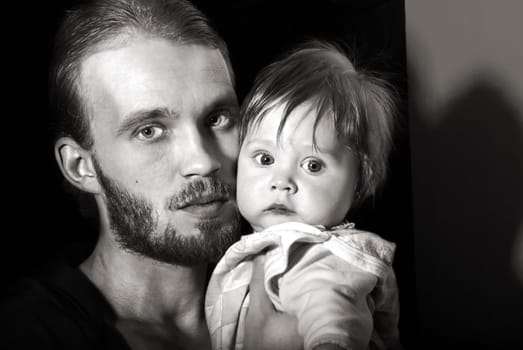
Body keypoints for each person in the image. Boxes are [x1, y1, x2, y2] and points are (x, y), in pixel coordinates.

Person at [1, 0, 300, 349]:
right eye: (149, 131)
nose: (203, 161)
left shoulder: (307, 292)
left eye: (217, 119)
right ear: (81, 167)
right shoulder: (27, 334)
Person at [205, 41, 402, 350]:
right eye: (265, 159)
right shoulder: (271, 250)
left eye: (312, 165)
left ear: (360, 182)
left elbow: (331, 327)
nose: (282, 182)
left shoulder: (319, 257)